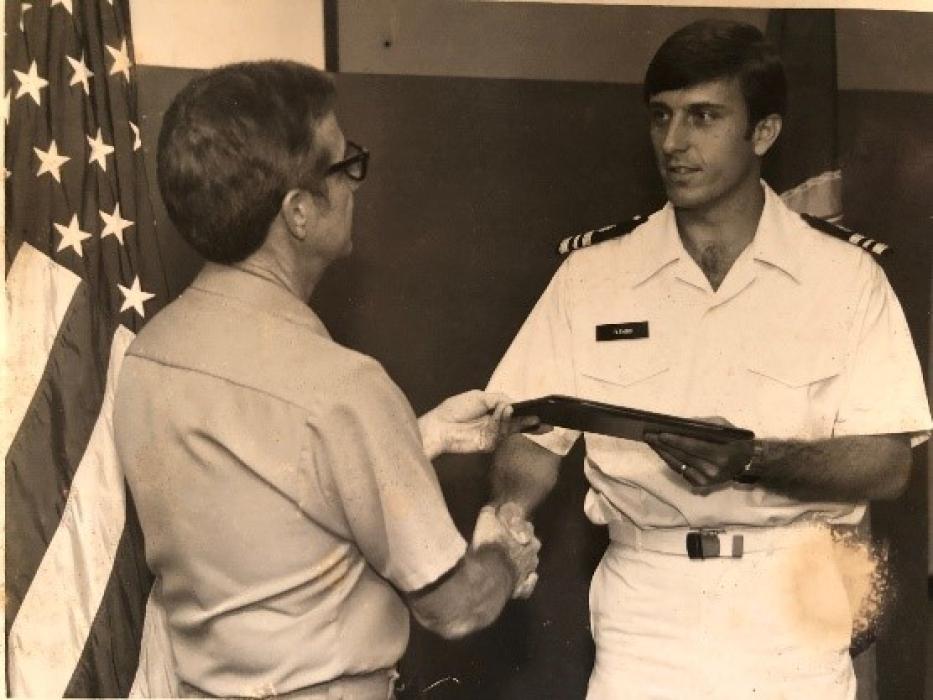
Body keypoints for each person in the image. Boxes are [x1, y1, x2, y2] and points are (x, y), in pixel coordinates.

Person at [486, 19, 931, 700]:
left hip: (790, 607)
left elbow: (886, 462)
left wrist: (751, 459)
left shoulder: (843, 280)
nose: (673, 143)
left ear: (762, 133)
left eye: (702, 118)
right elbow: (533, 435)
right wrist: (510, 511)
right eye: (660, 117)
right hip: (646, 608)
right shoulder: (592, 277)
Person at [113, 60, 540, 700]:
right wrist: (506, 558)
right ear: (299, 213)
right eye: (344, 167)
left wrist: (415, 436)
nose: (355, 186)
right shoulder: (342, 388)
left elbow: (261, 493)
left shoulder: (149, 355)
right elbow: (456, 607)